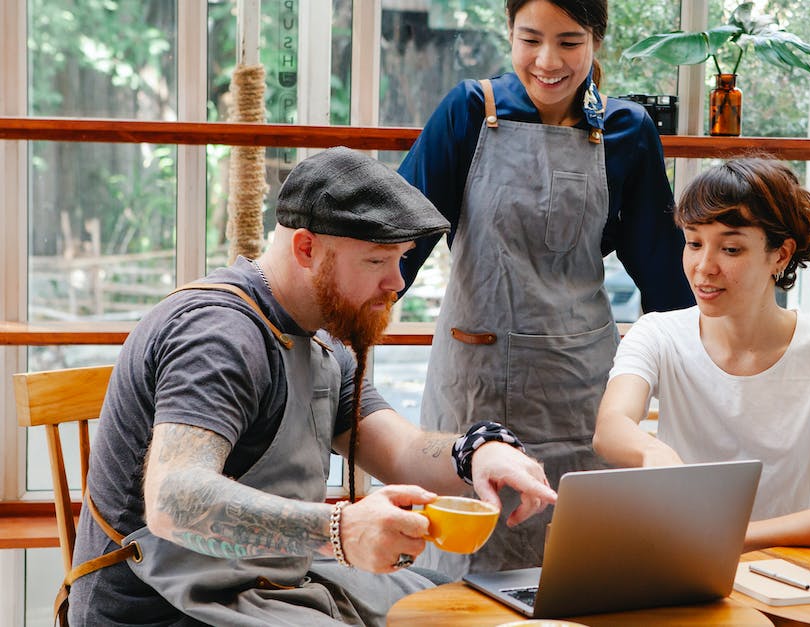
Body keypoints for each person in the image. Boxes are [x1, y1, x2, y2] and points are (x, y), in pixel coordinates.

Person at [66, 147, 558, 626]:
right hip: (162, 610)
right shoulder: (219, 335)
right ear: (306, 248)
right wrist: (339, 530)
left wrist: (477, 453)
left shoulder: (321, 336)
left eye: (402, 259)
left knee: (468, 608)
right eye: (376, 261)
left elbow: (400, 447)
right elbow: (175, 500)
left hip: (267, 585)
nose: (397, 283)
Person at [396, 0, 693, 576]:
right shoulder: (468, 111)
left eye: (569, 41)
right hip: (474, 386)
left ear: (596, 41)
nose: (548, 61)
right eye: (530, 39)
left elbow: (664, 276)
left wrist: (710, 371)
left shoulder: (627, 131)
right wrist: (338, 328)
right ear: (509, 34)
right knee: (464, 569)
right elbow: (401, 240)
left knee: (580, 567)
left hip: (580, 388)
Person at [592, 157, 810, 551]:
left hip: (796, 572)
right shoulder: (659, 333)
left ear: (780, 255)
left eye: (730, 248)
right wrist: (651, 450)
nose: (703, 267)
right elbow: (610, 426)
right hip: (686, 562)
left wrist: (729, 537)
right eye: (694, 243)